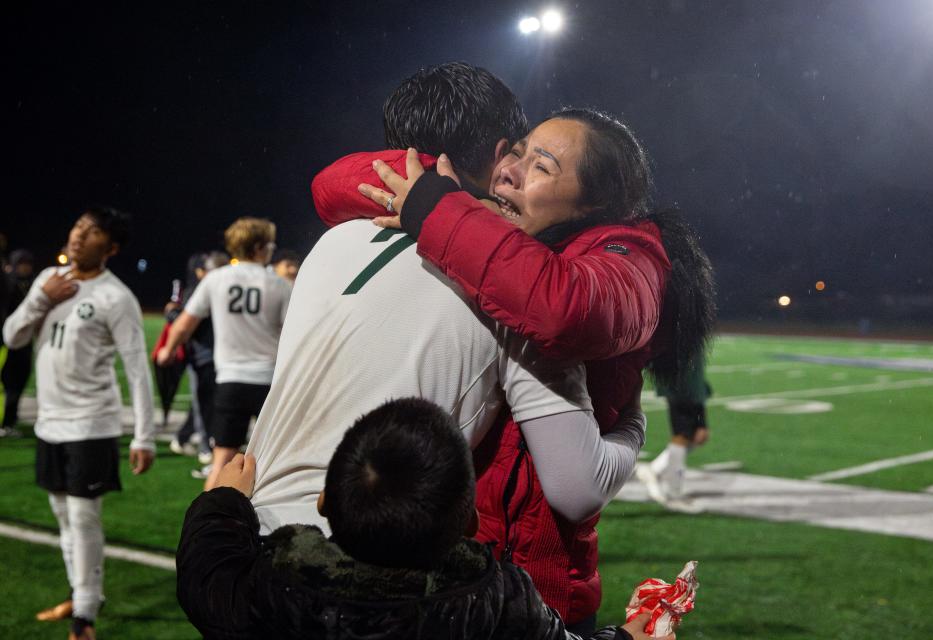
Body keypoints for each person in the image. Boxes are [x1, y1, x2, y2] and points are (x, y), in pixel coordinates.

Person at [316, 109, 715, 629]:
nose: (510, 170)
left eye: (542, 166)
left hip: (539, 592)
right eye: (516, 152)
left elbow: (567, 307)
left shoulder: (634, 254)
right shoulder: (490, 221)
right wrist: (442, 192)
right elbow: (331, 187)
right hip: (451, 574)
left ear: (596, 205)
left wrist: (439, 210)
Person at [248, 63, 646, 544]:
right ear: (501, 155)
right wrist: (633, 423)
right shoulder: (516, 282)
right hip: (368, 555)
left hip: (252, 536)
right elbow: (577, 487)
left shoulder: (334, 240)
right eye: (522, 157)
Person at [178, 397, 673, 640]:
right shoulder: (495, 601)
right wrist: (628, 636)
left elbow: (207, 574)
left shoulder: (285, 586)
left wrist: (222, 502)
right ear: (471, 524)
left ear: (324, 502)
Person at [2, 207, 156, 640]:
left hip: (91, 424)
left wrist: (142, 435)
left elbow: (137, 369)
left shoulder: (116, 297)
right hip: (50, 423)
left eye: (92, 233)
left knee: (83, 516)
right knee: (60, 513)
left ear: (110, 248)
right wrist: (40, 298)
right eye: (78, 227)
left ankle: (84, 617)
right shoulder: (49, 280)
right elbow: (12, 336)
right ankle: (81, 591)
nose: (78, 235)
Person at [157, 218, 291, 489]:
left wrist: (168, 351)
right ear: (258, 247)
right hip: (269, 384)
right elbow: (293, 334)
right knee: (278, 464)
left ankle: (206, 526)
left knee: (221, 463)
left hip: (230, 382)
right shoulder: (279, 284)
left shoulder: (216, 280)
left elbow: (184, 323)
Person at [166, 251, 229, 467]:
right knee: (204, 403)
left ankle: (184, 438)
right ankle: (205, 446)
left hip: (217, 356)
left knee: (205, 403)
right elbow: (185, 322)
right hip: (203, 356)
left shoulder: (217, 289)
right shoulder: (198, 291)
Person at [636, 356, 712, 511]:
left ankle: (654, 470)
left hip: (689, 385)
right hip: (681, 385)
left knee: (692, 438)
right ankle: (674, 492)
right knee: (683, 437)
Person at [1, 249, 36, 436]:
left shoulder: (31, 284)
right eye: (21, 264)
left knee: (18, 383)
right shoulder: (8, 284)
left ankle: (10, 420)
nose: (25, 268)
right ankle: (6, 423)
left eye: (28, 264)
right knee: (8, 383)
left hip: (24, 343)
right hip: (6, 342)